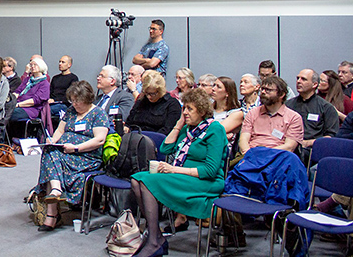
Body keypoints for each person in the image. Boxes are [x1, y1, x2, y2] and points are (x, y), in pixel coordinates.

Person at [130, 88, 227, 257]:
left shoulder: (214, 130)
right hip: (181, 176)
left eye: (190, 109)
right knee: (136, 180)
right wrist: (178, 124)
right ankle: (156, 236)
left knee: (146, 182)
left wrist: (174, 169)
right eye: (184, 108)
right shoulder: (188, 129)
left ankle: (153, 241)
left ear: (202, 111)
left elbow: (210, 170)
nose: (185, 112)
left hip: (205, 181)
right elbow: (165, 148)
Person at [33, 81, 110, 232]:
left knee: (51, 159)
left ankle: (52, 215)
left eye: (77, 101)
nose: (74, 104)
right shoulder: (71, 111)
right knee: (50, 151)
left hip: (86, 156)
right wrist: (53, 140)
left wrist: (76, 148)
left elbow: (99, 140)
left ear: (87, 99)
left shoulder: (98, 113)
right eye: (72, 100)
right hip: (65, 152)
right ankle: (55, 192)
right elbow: (60, 131)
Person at [238, 75, 303, 155]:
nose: (263, 92)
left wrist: (264, 154)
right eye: (263, 89)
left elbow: (289, 147)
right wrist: (249, 153)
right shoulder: (252, 113)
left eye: (268, 90)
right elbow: (243, 140)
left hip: (277, 158)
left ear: (281, 94)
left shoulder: (294, 117)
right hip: (252, 156)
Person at [286, 69, 339, 159]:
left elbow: (330, 137)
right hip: (288, 146)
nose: (298, 81)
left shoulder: (326, 107)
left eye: (304, 79)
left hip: (311, 149)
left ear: (314, 84)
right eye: (298, 78)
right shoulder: (288, 105)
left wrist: (307, 143)